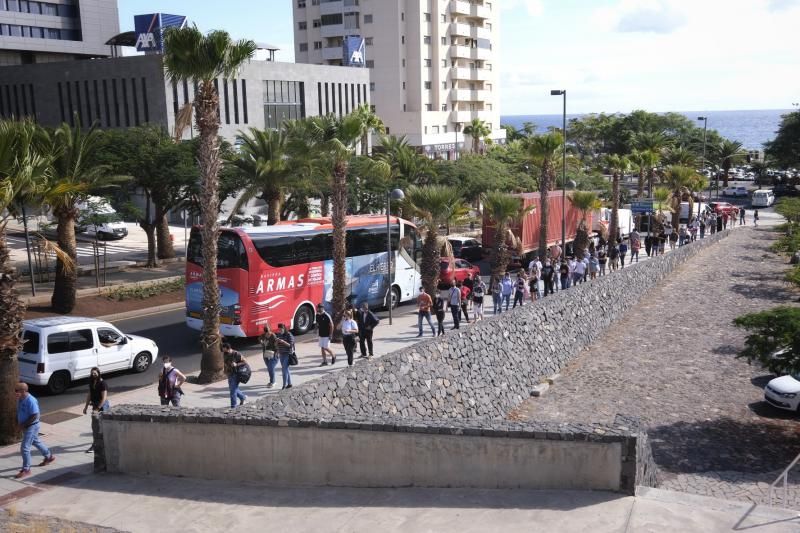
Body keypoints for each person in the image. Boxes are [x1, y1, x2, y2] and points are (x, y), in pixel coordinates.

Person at [14, 383, 54, 479]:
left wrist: (24, 424)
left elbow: (35, 415)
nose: (15, 392)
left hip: (31, 427)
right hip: (26, 426)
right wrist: (18, 421)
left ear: (23, 391)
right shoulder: (20, 398)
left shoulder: (31, 400)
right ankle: (49, 456)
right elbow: (20, 411)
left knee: (25, 448)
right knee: (36, 441)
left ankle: (26, 469)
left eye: (17, 391)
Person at [82, 367, 109, 453]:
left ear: (98, 373)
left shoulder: (102, 383)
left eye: (95, 373)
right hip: (95, 406)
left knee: (98, 427)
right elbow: (89, 395)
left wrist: (97, 409)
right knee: (96, 427)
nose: (93, 375)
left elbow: (104, 398)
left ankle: (95, 446)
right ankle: (97, 443)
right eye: (92, 373)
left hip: (102, 406)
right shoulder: (91, 382)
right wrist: (85, 407)